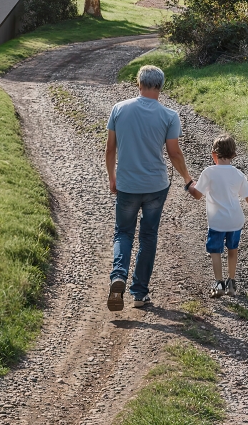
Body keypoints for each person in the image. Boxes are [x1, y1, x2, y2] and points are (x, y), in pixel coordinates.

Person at [105, 65, 198, 312]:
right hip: (156, 186)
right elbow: (174, 153)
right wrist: (188, 179)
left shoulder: (119, 109)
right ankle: (139, 293)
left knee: (123, 233)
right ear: (160, 87)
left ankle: (118, 277)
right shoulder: (169, 116)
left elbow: (110, 149)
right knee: (148, 236)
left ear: (139, 84)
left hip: (126, 184)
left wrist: (112, 177)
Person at [193, 134, 248, 298]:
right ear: (233, 155)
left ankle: (219, 283)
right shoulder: (238, 175)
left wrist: (189, 185)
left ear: (213, 154)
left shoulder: (208, 172)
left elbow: (197, 194)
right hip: (235, 220)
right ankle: (231, 281)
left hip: (217, 221)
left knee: (215, 251)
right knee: (233, 249)